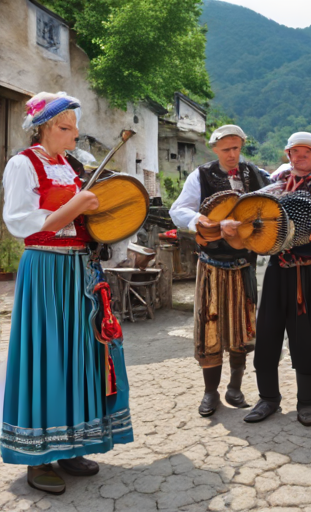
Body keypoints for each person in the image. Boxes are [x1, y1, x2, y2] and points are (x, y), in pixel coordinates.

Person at [0, 92, 133, 494]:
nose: (73, 135)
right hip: (46, 269)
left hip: (79, 270)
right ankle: (37, 457)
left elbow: (84, 222)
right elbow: (22, 224)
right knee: (48, 355)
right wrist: (76, 206)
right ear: (42, 128)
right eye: (64, 128)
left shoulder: (68, 167)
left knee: (79, 357)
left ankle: (70, 443)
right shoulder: (23, 164)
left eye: (75, 128)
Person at [243, 132, 311, 426]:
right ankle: (268, 398)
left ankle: (306, 403)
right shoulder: (275, 187)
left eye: (307, 152)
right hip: (277, 270)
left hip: (310, 270)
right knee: (266, 334)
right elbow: (257, 223)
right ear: (288, 154)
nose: (301, 156)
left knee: (306, 338)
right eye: (296, 151)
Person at [170, 125, 269, 417]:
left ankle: (235, 388)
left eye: (236, 148)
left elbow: (271, 206)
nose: (232, 154)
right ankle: (210, 393)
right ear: (215, 148)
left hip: (243, 265)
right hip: (212, 264)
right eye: (226, 149)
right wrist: (210, 223)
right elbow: (179, 211)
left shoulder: (257, 175)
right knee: (209, 327)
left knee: (242, 328)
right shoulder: (200, 175)